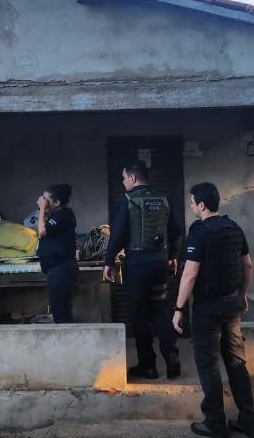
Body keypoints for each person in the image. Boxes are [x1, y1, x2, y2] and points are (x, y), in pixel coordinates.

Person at [173, 182, 254, 438]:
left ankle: (215, 424)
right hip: (231, 305)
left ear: (201, 205)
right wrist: (241, 294)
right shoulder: (234, 228)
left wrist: (178, 308)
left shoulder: (199, 232)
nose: (191, 207)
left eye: (192, 203)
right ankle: (250, 423)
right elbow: (248, 265)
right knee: (236, 363)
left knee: (208, 364)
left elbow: (190, 275)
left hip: (208, 308)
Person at [103, 159, 182, 380]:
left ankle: (148, 366)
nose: (122, 182)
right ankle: (171, 356)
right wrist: (173, 256)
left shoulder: (127, 200)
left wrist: (109, 262)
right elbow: (177, 231)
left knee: (139, 315)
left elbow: (118, 234)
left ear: (132, 178)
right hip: (160, 264)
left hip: (137, 266)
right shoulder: (164, 199)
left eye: (123, 178)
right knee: (159, 310)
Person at [36, 183, 78, 323]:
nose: (43, 201)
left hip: (61, 270)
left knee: (61, 314)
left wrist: (42, 208)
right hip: (58, 269)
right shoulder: (59, 215)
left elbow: (42, 231)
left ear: (57, 202)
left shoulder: (62, 215)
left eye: (46, 199)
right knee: (60, 312)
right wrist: (44, 210)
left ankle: (66, 337)